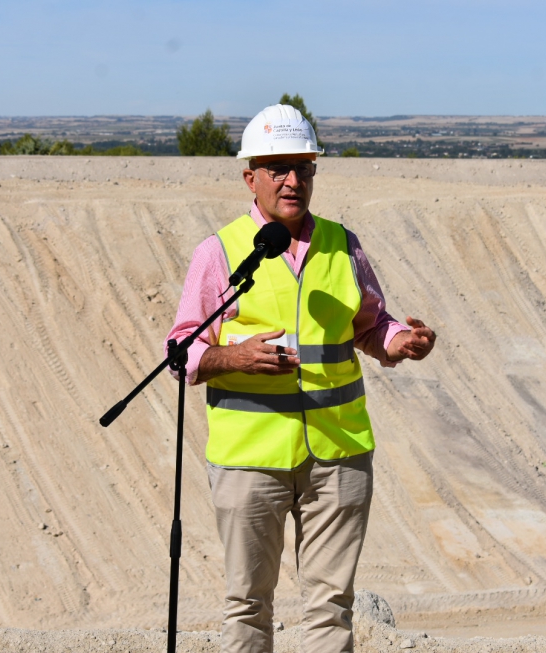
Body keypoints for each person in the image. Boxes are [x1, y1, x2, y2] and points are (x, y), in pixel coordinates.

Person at [166, 104, 436, 653]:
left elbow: (369, 325)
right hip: (250, 458)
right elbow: (182, 350)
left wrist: (398, 342)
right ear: (251, 177)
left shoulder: (344, 244)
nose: (293, 181)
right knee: (246, 606)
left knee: (332, 606)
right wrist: (231, 356)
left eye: (304, 168)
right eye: (278, 168)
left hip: (339, 453)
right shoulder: (218, 253)